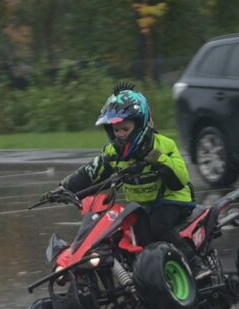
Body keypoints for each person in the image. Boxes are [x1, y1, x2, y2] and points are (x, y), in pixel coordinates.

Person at [48, 83, 208, 278]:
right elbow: (90, 172)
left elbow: (181, 178)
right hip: (141, 207)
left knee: (158, 225)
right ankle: (139, 274)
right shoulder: (113, 152)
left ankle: (195, 263)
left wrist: (158, 159)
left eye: (125, 128)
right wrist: (63, 188)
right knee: (124, 234)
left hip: (173, 201)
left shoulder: (163, 145)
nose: (121, 134)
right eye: (116, 130)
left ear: (141, 125)